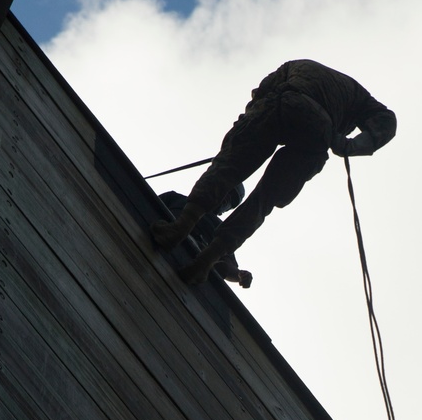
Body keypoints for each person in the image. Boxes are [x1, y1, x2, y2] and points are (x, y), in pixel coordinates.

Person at [151, 59, 397, 286]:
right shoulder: (361, 100)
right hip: (318, 134)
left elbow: (261, 95)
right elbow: (386, 121)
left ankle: (180, 227)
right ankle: (204, 262)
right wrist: (348, 145)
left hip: (285, 103)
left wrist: (244, 127)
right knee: (263, 201)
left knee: (228, 168)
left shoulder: (298, 65)